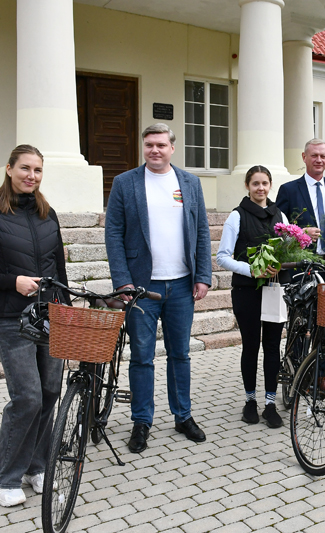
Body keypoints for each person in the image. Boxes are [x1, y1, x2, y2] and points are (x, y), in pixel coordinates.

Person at [0, 145, 68, 506]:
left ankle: (36, 466)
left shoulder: (47, 213)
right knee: (27, 397)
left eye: (37, 170)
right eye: (25, 168)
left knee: (51, 391)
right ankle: (2, 477)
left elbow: (59, 267)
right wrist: (13, 281)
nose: (31, 176)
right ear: (9, 169)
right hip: (11, 315)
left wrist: (65, 310)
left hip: (49, 314)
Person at [105, 123, 211, 453]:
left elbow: (203, 231)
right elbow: (113, 235)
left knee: (180, 354)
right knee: (142, 357)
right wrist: (122, 281)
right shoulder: (125, 183)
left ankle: (183, 416)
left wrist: (203, 276)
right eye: (149, 144)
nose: (155, 150)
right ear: (144, 146)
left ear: (172, 148)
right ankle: (142, 421)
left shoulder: (190, 183)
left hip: (181, 285)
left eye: (161, 145)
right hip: (140, 287)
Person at [217, 165, 287, 427]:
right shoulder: (237, 216)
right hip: (247, 292)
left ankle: (270, 403)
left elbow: (287, 252)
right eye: (255, 183)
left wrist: (283, 263)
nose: (260, 188)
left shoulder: (280, 215)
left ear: (270, 186)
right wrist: (252, 270)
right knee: (250, 346)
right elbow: (222, 257)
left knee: (272, 346)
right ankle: (250, 401)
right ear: (247, 186)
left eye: (265, 183)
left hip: (273, 290)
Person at [275, 139, 325, 272]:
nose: (319, 160)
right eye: (314, 156)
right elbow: (278, 229)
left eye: (323, 156)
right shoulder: (288, 190)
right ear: (304, 157)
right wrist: (301, 233)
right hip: (299, 266)